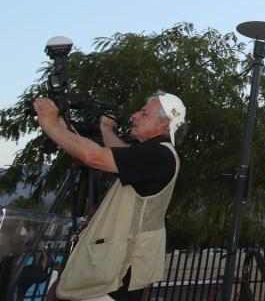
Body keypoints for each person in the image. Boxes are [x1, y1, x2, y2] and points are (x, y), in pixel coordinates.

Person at [34, 92, 187, 301]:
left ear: (164, 123)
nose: (134, 116)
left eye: (143, 113)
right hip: (112, 275)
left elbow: (93, 156)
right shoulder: (155, 155)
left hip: (113, 279)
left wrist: (50, 125)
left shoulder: (160, 155)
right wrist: (104, 128)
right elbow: (119, 153)